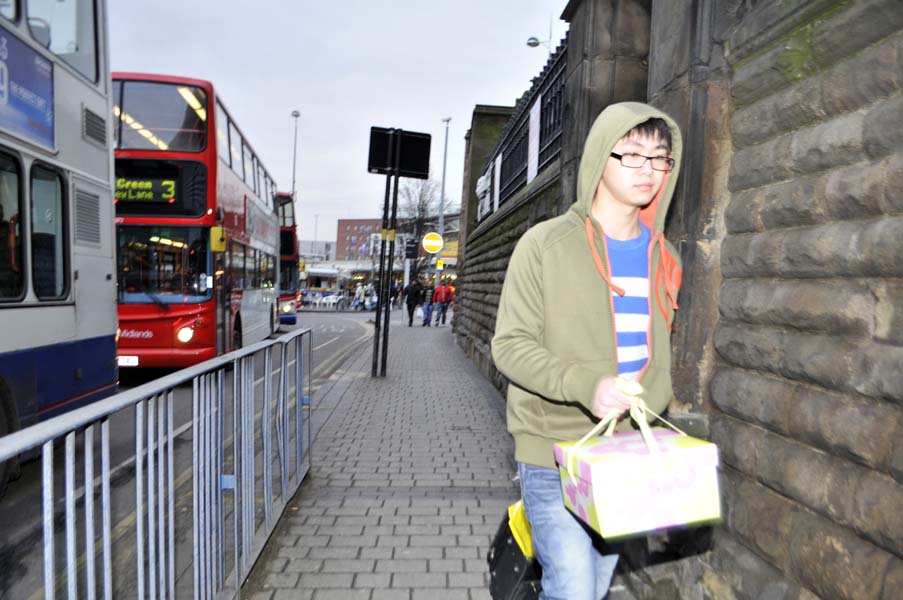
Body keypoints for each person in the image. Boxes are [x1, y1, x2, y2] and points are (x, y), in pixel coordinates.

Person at [491, 102, 683, 600]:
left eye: (660, 158)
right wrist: (587, 386)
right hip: (553, 452)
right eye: (633, 155)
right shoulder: (544, 245)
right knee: (573, 586)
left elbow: (657, 354)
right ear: (602, 156)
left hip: (622, 455)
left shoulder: (664, 257)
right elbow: (509, 346)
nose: (649, 169)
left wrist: (651, 412)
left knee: (594, 586)